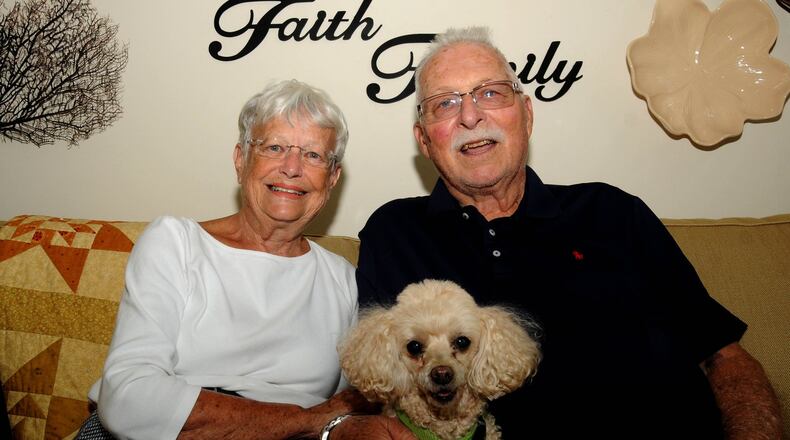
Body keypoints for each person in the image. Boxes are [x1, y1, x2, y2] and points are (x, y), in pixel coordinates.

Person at [351, 27, 782, 439]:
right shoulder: (395, 233)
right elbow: (375, 392)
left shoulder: (613, 211)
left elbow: (724, 356)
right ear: (424, 141)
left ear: (527, 113)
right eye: (445, 103)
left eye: (491, 93)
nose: (470, 115)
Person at [78, 80, 403, 440]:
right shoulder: (176, 243)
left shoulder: (342, 278)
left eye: (313, 155)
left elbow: (346, 408)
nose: (292, 167)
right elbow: (128, 398)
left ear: (332, 178)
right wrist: (307, 419)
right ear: (240, 160)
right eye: (275, 147)